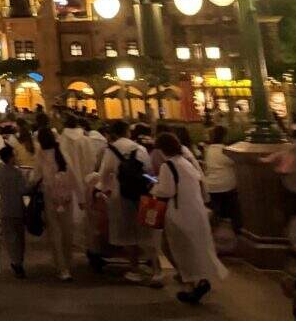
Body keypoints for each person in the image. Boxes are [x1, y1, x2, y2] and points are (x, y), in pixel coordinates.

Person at [150, 132, 227, 304]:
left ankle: (192, 286)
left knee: (180, 250)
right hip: (195, 211)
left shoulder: (167, 166)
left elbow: (166, 191)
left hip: (178, 214)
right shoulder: (185, 162)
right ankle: (197, 281)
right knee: (195, 249)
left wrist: (154, 187)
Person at [98, 120, 158, 285]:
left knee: (127, 233)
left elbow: (104, 175)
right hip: (141, 194)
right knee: (145, 232)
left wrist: (100, 190)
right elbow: (149, 173)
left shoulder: (111, 150)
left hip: (121, 195)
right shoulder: (140, 149)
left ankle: (134, 268)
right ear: (128, 132)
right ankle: (155, 269)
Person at [32, 129, 80, 281]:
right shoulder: (62, 151)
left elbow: (36, 176)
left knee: (55, 233)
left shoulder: (41, 154)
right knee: (67, 231)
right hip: (66, 197)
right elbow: (73, 174)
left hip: (50, 196)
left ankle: (62, 268)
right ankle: (68, 263)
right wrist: (81, 198)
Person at [0, 144, 27, 278]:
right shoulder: (18, 173)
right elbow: (23, 190)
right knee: (20, 237)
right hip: (18, 208)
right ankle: (19, 261)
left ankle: (15, 261)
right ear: (10, 157)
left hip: (4, 207)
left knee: (10, 237)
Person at [202, 125, 239, 227]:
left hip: (211, 186)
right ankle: (235, 228)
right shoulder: (225, 151)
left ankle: (218, 225)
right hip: (226, 186)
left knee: (217, 210)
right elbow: (235, 162)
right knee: (233, 209)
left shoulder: (209, 150)